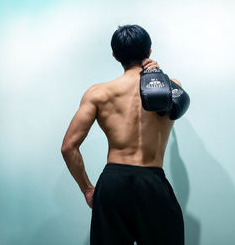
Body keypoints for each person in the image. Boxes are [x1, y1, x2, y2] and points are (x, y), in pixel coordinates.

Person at [61, 24, 188, 245]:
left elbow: (68, 147)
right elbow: (180, 103)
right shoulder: (171, 86)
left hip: (113, 184)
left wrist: (88, 190)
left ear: (115, 55)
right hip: (152, 182)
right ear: (149, 51)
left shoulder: (98, 93)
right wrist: (156, 74)